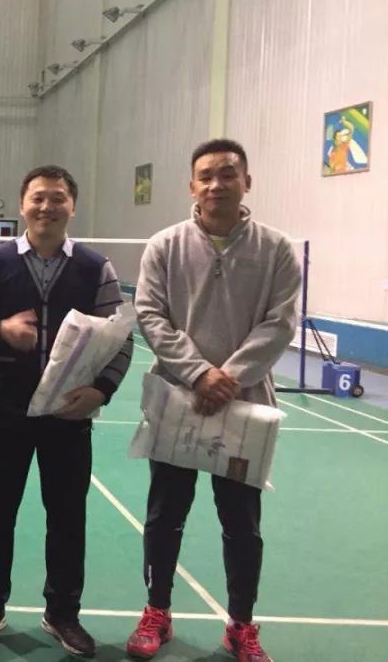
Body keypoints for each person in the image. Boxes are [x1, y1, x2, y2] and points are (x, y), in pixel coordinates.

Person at [126, 139, 300, 662]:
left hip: (245, 410)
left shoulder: (277, 249)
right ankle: (157, 612)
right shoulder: (164, 245)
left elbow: (280, 322)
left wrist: (230, 377)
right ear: (192, 186)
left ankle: (241, 626)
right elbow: (150, 314)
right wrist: (199, 373)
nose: (216, 184)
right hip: (176, 402)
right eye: (206, 176)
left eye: (227, 174)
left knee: (242, 524)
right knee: (164, 516)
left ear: (247, 182)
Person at [0, 165, 132, 658]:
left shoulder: (95, 267)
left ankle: (63, 614)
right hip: (6, 412)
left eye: (57, 198)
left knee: (67, 517)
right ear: (22, 205)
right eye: (38, 198)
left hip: (69, 416)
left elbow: (121, 339)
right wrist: (0, 331)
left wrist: (101, 391)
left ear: (72, 206)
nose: (46, 207)